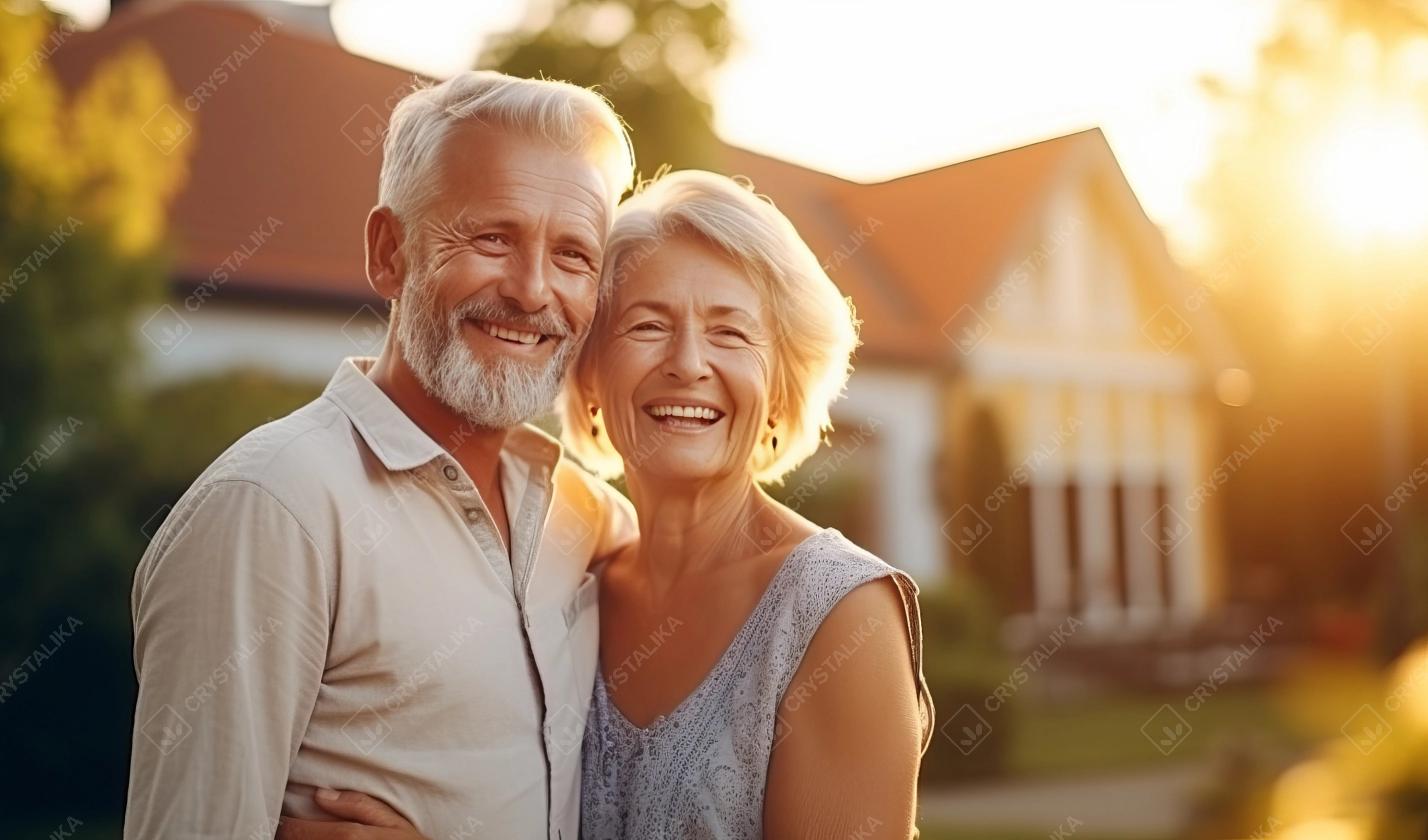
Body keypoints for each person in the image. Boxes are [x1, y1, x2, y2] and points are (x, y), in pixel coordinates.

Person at [281, 170, 933, 839]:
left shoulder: (840, 614)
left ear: (782, 387)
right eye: (648, 325)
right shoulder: (572, 583)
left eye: (730, 334)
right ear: (588, 376)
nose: (687, 363)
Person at [123, 71, 639, 840]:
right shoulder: (273, 507)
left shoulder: (592, 520)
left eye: (573, 256)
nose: (533, 292)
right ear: (389, 252)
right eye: (492, 237)